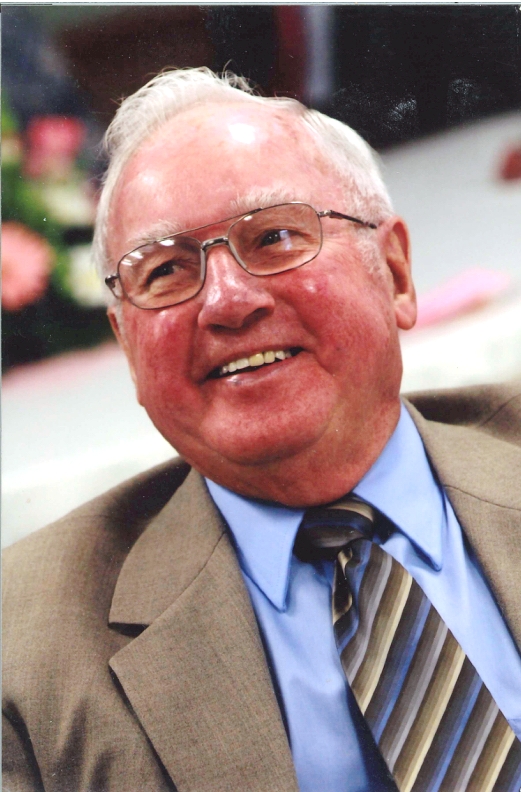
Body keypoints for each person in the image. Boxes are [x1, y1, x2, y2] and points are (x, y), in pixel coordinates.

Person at [3, 67, 521, 792]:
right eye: (165, 271)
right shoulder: (24, 651)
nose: (226, 300)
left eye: (275, 236)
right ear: (127, 346)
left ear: (395, 272)